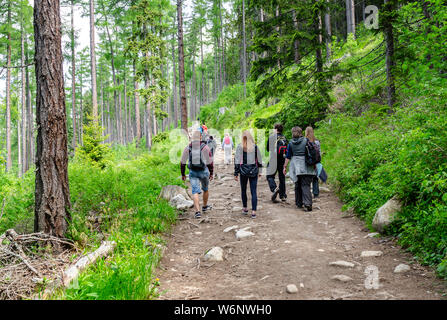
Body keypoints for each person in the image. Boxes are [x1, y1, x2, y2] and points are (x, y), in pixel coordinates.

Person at [180, 130, 214, 219]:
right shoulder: (205, 147)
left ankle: (197, 212)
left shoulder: (188, 148)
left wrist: (183, 174)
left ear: (192, 138)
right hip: (203, 171)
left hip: (193, 172)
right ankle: (205, 206)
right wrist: (211, 172)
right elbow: (210, 162)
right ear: (200, 137)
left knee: (195, 191)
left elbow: (182, 162)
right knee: (205, 189)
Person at [283, 126, 316, 212]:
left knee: (297, 184)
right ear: (301, 132)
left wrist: (285, 167)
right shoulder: (306, 141)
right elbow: (311, 152)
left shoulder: (290, 143)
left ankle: (299, 202)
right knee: (306, 185)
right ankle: (307, 203)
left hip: (296, 166)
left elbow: (288, 156)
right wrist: (315, 164)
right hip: (306, 165)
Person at [234, 131, 263, 219]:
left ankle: (245, 208)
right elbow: (259, 159)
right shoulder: (255, 147)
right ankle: (253, 211)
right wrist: (260, 171)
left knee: (243, 190)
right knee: (253, 191)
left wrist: (236, 172)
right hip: (254, 171)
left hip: (243, 171)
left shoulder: (240, 147)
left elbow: (237, 161)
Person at [266, 123, 288, 203]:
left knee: (269, 175)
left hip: (273, 159)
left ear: (275, 129)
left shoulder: (272, 137)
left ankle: (274, 188)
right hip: (282, 159)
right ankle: (283, 196)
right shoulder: (284, 138)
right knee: (282, 177)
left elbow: (268, 149)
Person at [305, 126, 321, 199]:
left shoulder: (305, 141)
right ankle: (316, 194)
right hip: (316, 162)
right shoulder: (317, 141)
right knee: (315, 178)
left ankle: (307, 193)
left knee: (307, 178)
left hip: (308, 162)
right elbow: (319, 152)